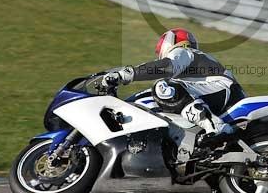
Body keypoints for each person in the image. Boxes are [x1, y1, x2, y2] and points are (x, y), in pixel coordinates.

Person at [101, 28, 245, 143]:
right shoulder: (191, 70)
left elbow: (166, 66)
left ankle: (214, 126)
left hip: (223, 89)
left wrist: (125, 74)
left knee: (162, 87)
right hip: (219, 92)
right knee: (155, 94)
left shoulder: (184, 51)